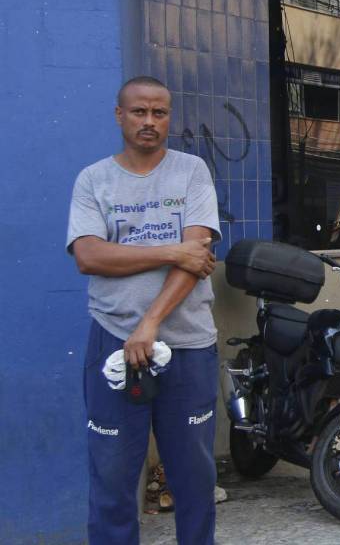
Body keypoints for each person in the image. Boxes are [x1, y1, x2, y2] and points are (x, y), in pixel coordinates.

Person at [67, 77, 221, 545]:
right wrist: (173, 251)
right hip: (113, 342)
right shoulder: (94, 180)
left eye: (159, 113)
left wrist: (150, 324)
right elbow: (89, 256)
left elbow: (199, 260)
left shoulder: (192, 171)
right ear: (119, 115)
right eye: (139, 112)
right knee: (112, 481)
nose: (149, 122)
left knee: (194, 480)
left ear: (169, 118)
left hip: (188, 345)